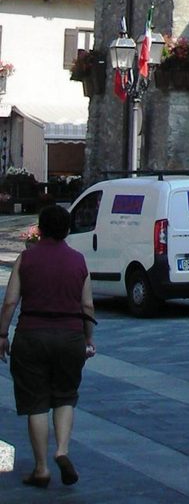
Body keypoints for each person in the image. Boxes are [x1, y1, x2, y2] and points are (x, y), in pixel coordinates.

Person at [0, 203, 95, 487]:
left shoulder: (26, 259)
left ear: (40, 229)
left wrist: (2, 335)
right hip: (70, 336)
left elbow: (10, 302)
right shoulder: (78, 260)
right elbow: (87, 306)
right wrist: (88, 339)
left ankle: (41, 468)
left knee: (36, 402)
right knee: (65, 396)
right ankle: (62, 450)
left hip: (32, 335)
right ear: (67, 230)